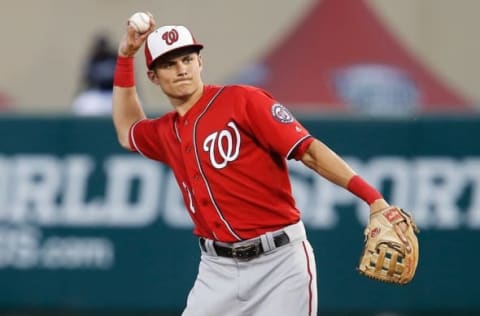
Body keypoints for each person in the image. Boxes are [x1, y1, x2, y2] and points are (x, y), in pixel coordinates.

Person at [112, 14, 411, 316]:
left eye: (187, 59)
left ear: (199, 62)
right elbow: (128, 130)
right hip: (217, 271)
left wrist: (373, 198)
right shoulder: (166, 131)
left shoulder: (243, 101)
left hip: (280, 263)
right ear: (153, 76)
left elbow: (309, 152)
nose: (181, 70)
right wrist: (126, 57)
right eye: (168, 64)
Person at [72, 34, 117, 116]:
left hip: (114, 94)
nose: (102, 49)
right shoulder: (92, 60)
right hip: (97, 94)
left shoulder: (115, 59)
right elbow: (86, 80)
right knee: (80, 104)